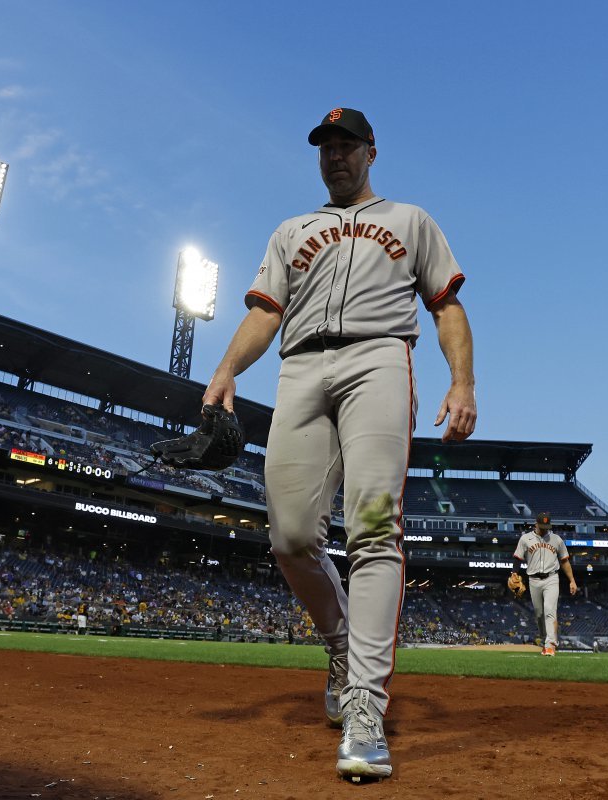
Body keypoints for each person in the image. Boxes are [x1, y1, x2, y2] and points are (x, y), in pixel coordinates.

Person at [201, 107, 476, 781]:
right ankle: (343, 646)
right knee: (292, 538)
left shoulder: (411, 220)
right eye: (325, 146)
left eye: (347, 143)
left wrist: (462, 381)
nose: (335, 154)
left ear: (372, 152)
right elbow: (265, 311)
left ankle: (365, 708)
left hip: (380, 359)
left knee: (375, 527)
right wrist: (227, 368)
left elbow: (446, 305)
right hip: (299, 369)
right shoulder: (292, 230)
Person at [511, 512, 578, 655]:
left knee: (549, 609)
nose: (544, 529)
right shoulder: (526, 539)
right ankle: (545, 638)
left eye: (546, 526)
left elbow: (565, 561)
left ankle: (550, 644)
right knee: (539, 614)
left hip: (552, 578)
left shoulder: (556, 539)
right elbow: (517, 558)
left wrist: (572, 580)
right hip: (533, 580)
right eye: (542, 526)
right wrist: (514, 573)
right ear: (536, 524)